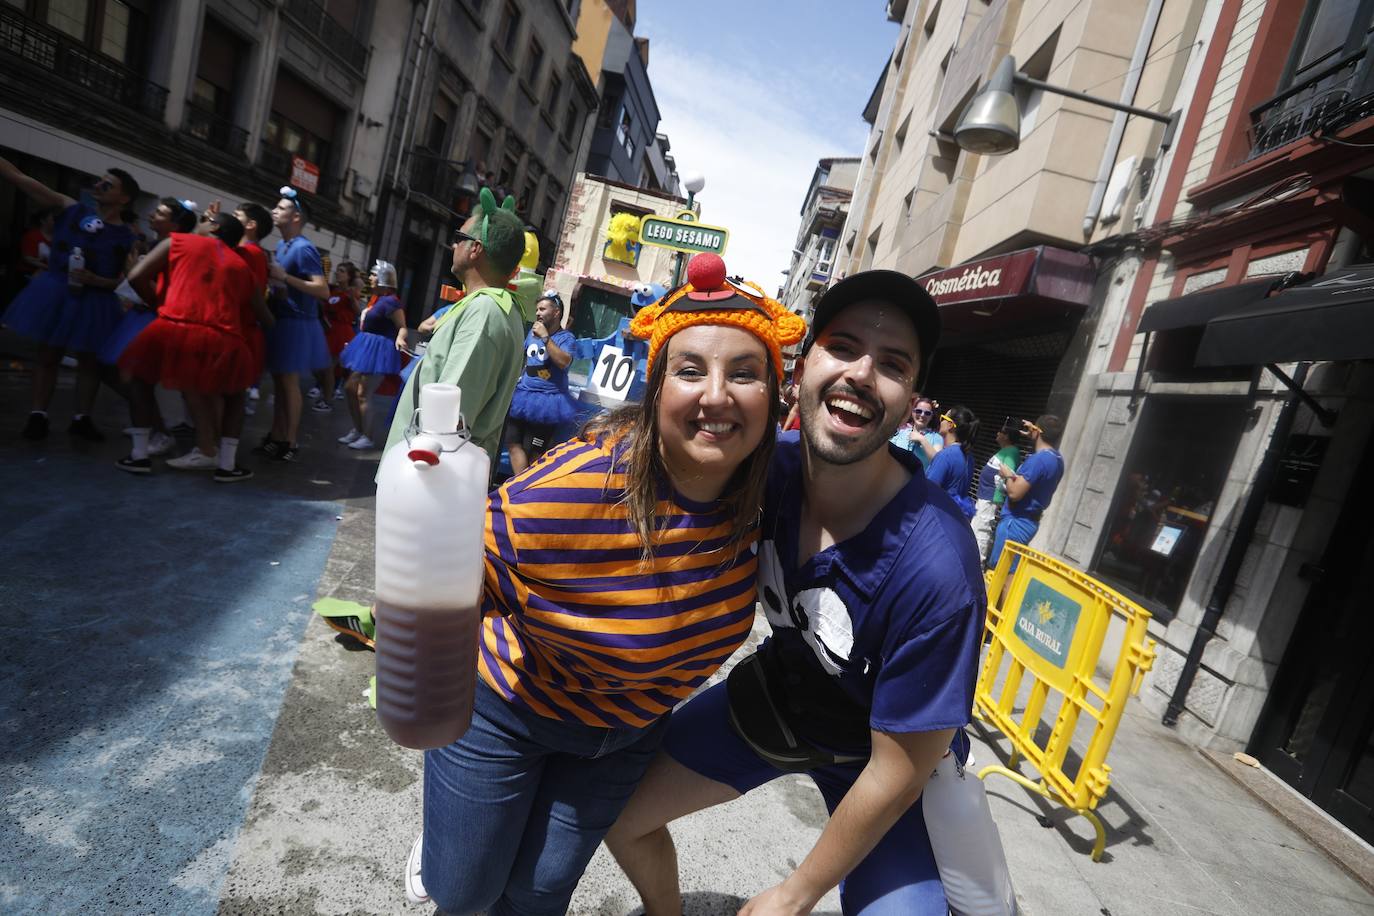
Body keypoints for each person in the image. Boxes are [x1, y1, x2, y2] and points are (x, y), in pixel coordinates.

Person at [402, 253, 806, 916]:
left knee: (536, 898)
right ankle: (452, 846)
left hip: (625, 736)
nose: (716, 395)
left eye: (745, 374)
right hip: (507, 713)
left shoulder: (771, 494)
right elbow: (445, 554)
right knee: (464, 890)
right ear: (658, 386)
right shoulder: (588, 481)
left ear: (773, 395)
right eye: (690, 369)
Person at [606, 269, 991, 915]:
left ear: (911, 396)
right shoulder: (764, 467)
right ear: (802, 364)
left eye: (892, 363)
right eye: (842, 347)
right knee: (613, 810)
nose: (862, 373)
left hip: (881, 753)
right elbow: (649, 459)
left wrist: (795, 892)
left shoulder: (941, 568)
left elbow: (899, 770)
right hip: (775, 702)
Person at [381, 188, 528, 466]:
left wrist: (411, 483)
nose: (453, 245)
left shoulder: (484, 312)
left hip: (426, 478)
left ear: (475, 249)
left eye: (459, 238)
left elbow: (445, 420)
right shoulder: (496, 308)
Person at [115, 212, 269, 477]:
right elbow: (265, 315)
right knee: (234, 396)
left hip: (172, 325)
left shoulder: (178, 242)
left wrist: (158, 303)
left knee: (140, 380)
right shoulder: (241, 266)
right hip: (223, 336)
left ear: (214, 226)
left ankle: (139, 455)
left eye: (205, 220)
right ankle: (227, 465)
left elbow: (136, 276)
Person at [2, 157, 139, 442]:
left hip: (95, 301)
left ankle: (82, 418)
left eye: (108, 184)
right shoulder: (71, 208)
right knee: (48, 355)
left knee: (89, 362)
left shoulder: (128, 237)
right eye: (100, 180)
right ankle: (38, 414)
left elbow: (128, 281)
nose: (98, 185)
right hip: (57, 292)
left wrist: (98, 281)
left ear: (124, 198)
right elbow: (21, 179)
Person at [257, 186, 330, 462]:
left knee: (288, 383)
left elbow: (322, 290)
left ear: (296, 217)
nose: (275, 210)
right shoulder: (282, 245)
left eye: (282, 208)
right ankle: (276, 436)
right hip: (283, 318)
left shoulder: (304, 248)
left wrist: (285, 279)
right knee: (278, 381)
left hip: (298, 323)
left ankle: (290, 440)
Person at [505, 290, 577, 473]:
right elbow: (526, 360)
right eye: (537, 309)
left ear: (556, 312)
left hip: (547, 402)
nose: (538, 313)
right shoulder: (532, 332)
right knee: (513, 444)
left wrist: (546, 337)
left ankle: (527, 492)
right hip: (522, 397)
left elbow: (563, 362)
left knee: (535, 454)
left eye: (543, 309)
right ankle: (519, 489)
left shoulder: (566, 338)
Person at [337, 260, 404, 450]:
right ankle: (358, 429)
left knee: (363, 394)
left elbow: (402, 327)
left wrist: (401, 338)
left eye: (374, 275)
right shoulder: (376, 300)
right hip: (365, 347)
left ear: (384, 278)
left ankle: (368, 435)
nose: (371, 278)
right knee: (350, 388)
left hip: (379, 350)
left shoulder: (392, 302)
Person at [988, 414, 1065, 569]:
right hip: (1028, 522)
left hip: (1015, 522)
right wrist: (1035, 435)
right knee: (1009, 574)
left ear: (1037, 431)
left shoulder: (1039, 460)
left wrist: (1008, 474)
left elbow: (1015, 494)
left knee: (999, 573)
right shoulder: (1057, 459)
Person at [971, 422, 1022, 564]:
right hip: (985, 495)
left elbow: (1008, 474)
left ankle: (978, 562)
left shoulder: (1012, 452)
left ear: (1007, 436)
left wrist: (999, 492)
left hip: (991, 496)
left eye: (1001, 432)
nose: (997, 434)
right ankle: (971, 558)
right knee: (976, 525)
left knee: (982, 528)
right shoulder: (1005, 450)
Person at [926, 405, 979, 516]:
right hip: (953, 517)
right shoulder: (969, 456)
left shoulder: (945, 456)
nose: (940, 421)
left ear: (950, 425)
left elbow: (928, 492)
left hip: (937, 516)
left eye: (943, 418)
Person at [321, 260, 361, 403]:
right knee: (322, 367)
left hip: (342, 334)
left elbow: (357, 312)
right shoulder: (333, 290)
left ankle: (327, 400)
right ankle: (329, 393)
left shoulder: (351, 292)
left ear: (349, 276)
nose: (337, 273)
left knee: (329, 367)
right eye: (337, 270)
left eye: (342, 271)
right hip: (328, 331)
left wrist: (352, 299)